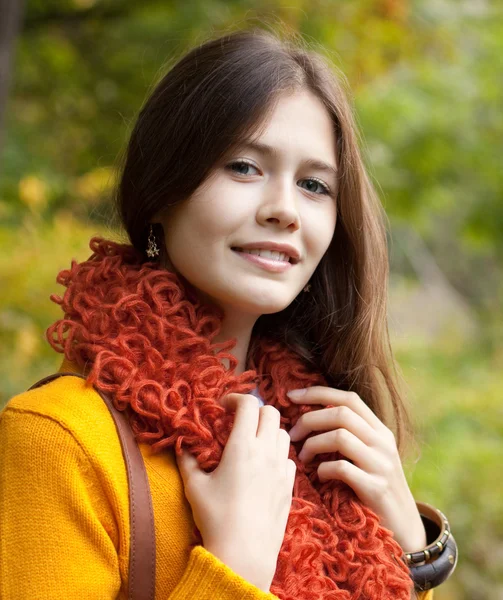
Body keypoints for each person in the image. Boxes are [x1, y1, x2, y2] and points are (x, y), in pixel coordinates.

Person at [0, 26, 457, 599]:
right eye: (244, 167)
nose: (285, 210)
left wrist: (408, 546)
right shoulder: (60, 440)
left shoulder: (326, 442)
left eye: (315, 185)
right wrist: (231, 570)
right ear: (163, 190)